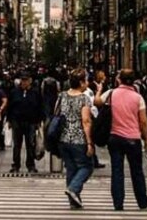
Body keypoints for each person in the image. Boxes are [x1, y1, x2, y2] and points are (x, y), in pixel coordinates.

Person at [95, 69, 147, 211]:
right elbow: (144, 121)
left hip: (115, 137)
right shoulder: (138, 97)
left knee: (117, 170)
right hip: (133, 138)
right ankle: (142, 201)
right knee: (137, 171)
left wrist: (99, 90)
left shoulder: (111, 93)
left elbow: (96, 102)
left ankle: (118, 203)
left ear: (119, 80)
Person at [57, 68, 94, 209]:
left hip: (63, 138)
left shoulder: (62, 96)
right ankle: (73, 189)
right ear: (80, 82)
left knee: (71, 168)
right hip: (78, 138)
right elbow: (86, 120)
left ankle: (74, 201)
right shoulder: (84, 98)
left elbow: (56, 114)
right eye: (85, 80)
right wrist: (89, 142)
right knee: (87, 167)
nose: (87, 83)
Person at [7, 72, 44, 173]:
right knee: (17, 145)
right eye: (23, 80)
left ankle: (30, 164)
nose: (24, 82)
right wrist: (9, 120)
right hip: (17, 121)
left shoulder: (35, 93)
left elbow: (40, 107)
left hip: (31, 121)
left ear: (30, 81)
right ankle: (16, 164)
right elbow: (10, 106)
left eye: (26, 80)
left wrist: (39, 121)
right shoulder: (14, 92)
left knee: (30, 144)